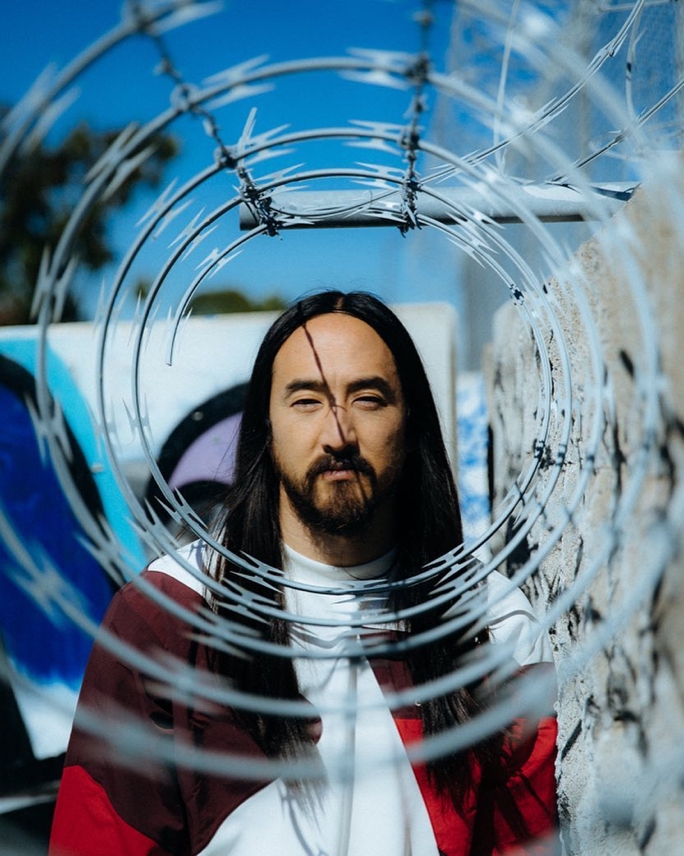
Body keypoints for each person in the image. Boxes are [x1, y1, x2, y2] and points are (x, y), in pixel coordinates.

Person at [49, 291, 558, 856]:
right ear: (266, 425)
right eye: (306, 400)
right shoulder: (167, 618)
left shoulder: (489, 621)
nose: (337, 434)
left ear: (410, 421)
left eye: (367, 398)